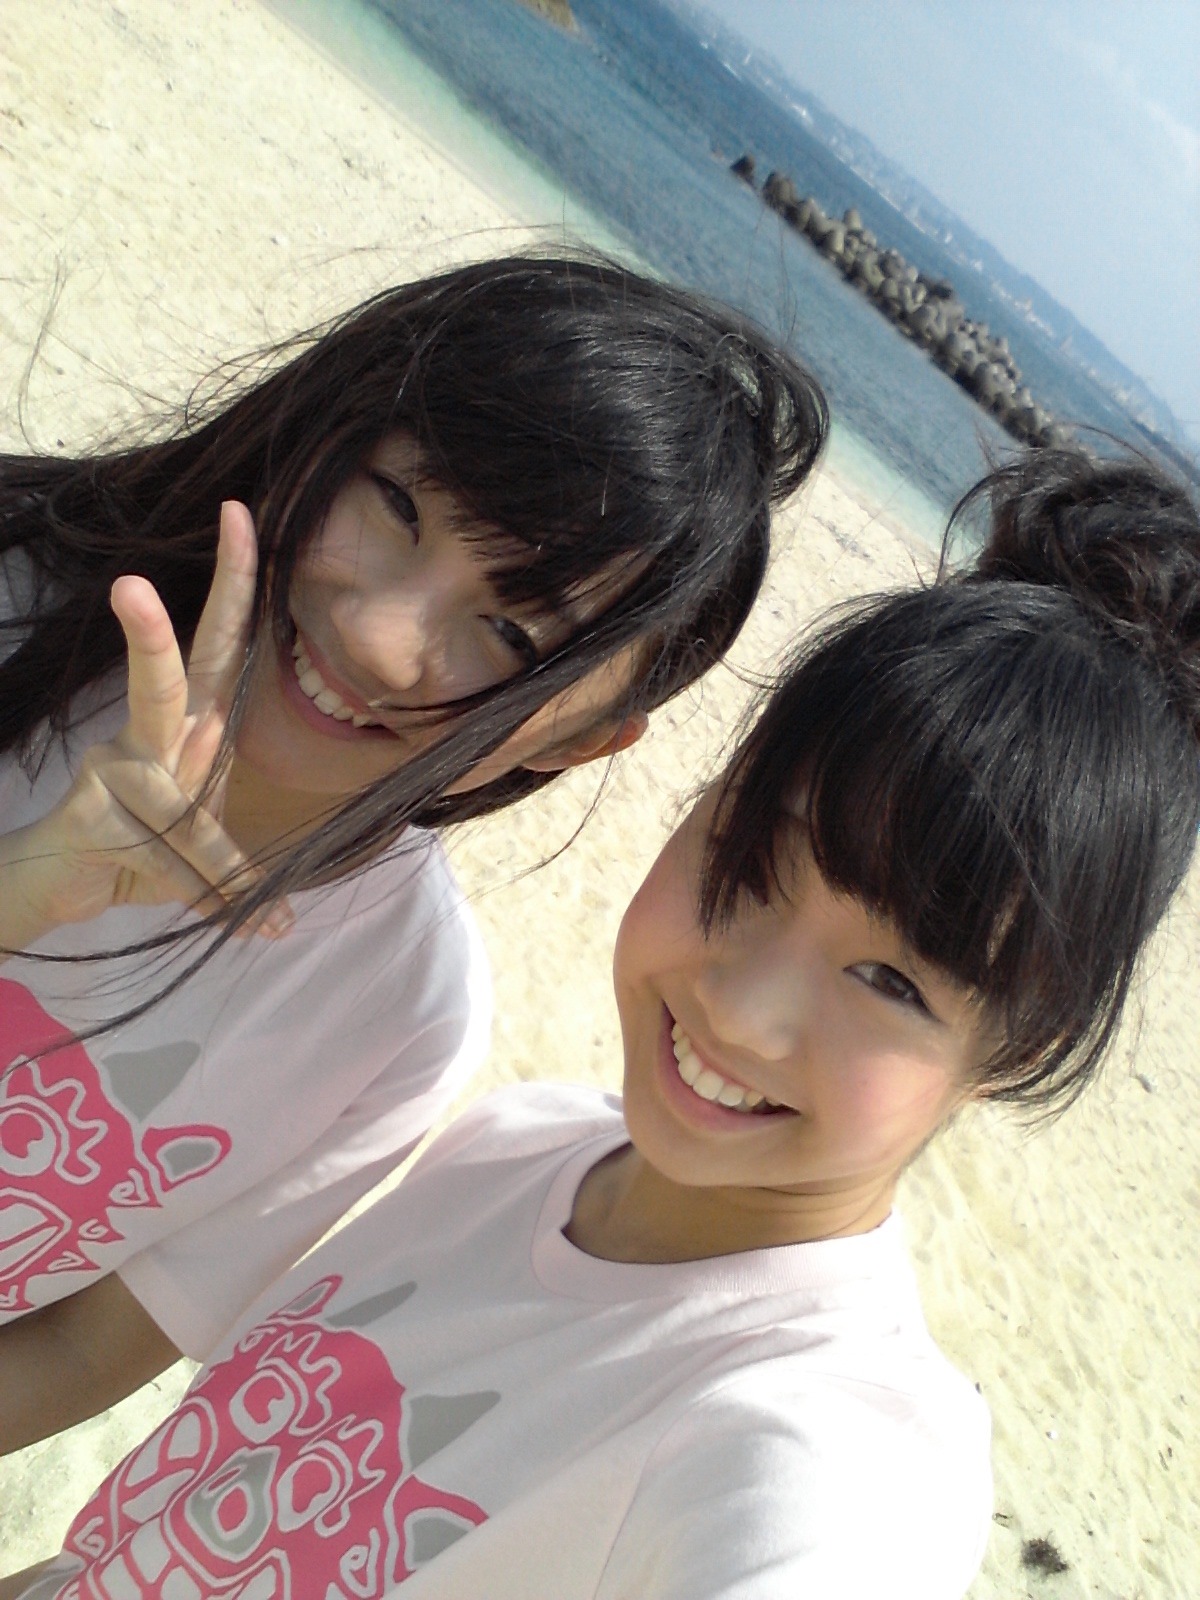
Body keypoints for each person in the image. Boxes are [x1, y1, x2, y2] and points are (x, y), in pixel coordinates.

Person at [5, 443, 1195, 1598]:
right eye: (747, 863)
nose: (742, 1009)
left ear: (1024, 1051)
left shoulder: (820, 1441)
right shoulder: (517, 1146)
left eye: (891, 982)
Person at [0, 254, 828, 1449]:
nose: (382, 638)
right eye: (397, 508)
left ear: (582, 739)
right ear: (334, 417)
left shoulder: (399, 1018)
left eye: (511, 633)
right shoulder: (21, 601)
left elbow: (81, 1346)